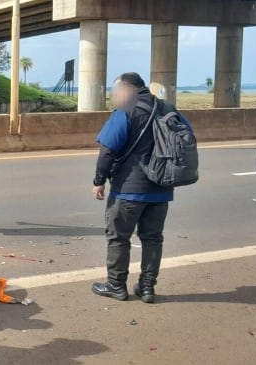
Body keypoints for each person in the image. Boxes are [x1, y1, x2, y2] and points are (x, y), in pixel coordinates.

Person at [91, 72, 191, 304]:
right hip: (161, 189)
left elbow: (107, 151)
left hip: (128, 189)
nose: (114, 97)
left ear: (128, 89)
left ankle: (116, 285)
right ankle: (147, 288)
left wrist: (98, 181)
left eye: (115, 92)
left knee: (118, 237)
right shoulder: (168, 108)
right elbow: (187, 137)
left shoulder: (125, 111)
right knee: (153, 238)